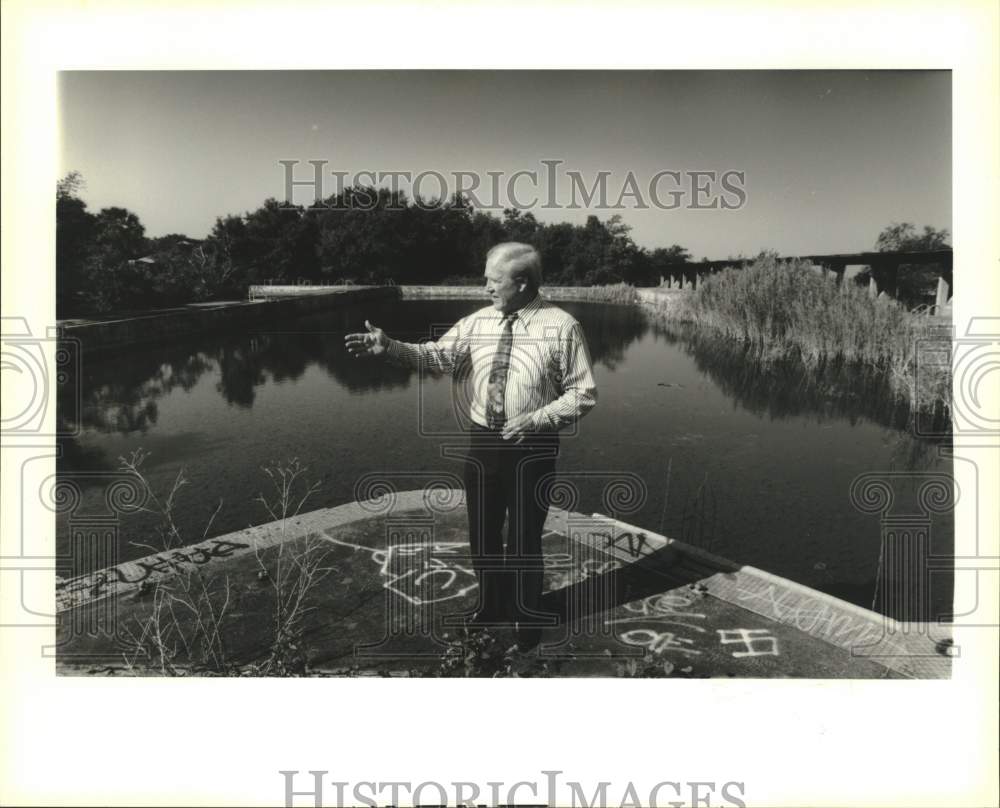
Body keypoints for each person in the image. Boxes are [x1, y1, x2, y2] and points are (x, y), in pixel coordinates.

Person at [344, 242, 598, 651]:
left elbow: (583, 394)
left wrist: (537, 419)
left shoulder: (562, 326)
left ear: (522, 282)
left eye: (493, 280)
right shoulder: (479, 321)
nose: (484, 288)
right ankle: (492, 605)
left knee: (524, 539)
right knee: (482, 532)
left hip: (532, 446)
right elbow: (438, 357)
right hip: (483, 442)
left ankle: (525, 614)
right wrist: (390, 348)